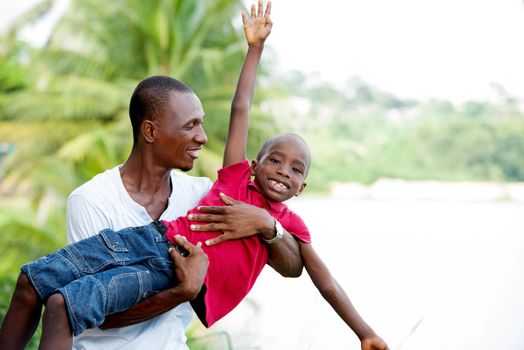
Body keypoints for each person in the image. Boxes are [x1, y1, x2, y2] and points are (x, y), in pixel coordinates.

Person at [1, 1, 389, 349]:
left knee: (62, 304)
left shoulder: (283, 223)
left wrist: (364, 331)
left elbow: (312, 275)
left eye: (295, 170)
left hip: (162, 268)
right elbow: (242, 109)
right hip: (152, 241)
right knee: (30, 283)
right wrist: (254, 49)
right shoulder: (230, 183)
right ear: (254, 164)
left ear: (303, 187)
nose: (283, 173)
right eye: (275, 160)